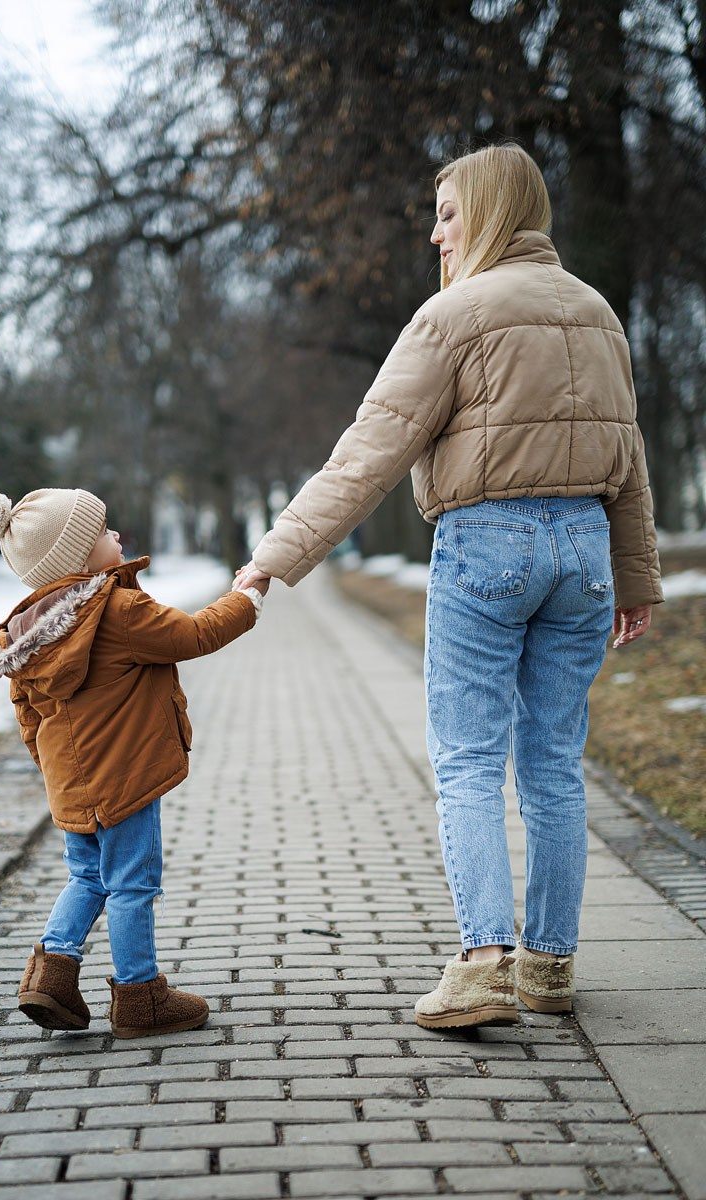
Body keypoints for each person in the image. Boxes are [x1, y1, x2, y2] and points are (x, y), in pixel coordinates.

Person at [233, 143, 663, 1029]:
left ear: (493, 211)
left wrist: (275, 555)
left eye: (449, 213)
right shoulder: (597, 312)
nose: (436, 235)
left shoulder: (455, 315)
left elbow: (369, 451)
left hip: (489, 542)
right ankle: (549, 966)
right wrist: (635, 578)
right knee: (553, 763)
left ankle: (481, 966)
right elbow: (629, 459)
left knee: (468, 760)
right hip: (585, 548)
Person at [0, 487, 266, 1038]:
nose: (116, 535)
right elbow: (195, 634)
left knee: (87, 876)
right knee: (132, 883)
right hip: (126, 779)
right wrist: (247, 597)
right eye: (103, 531)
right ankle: (139, 997)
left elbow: (29, 719)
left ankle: (51, 973)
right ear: (79, 556)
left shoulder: (24, 632)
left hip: (72, 786)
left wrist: (58, 775)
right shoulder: (118, 610)